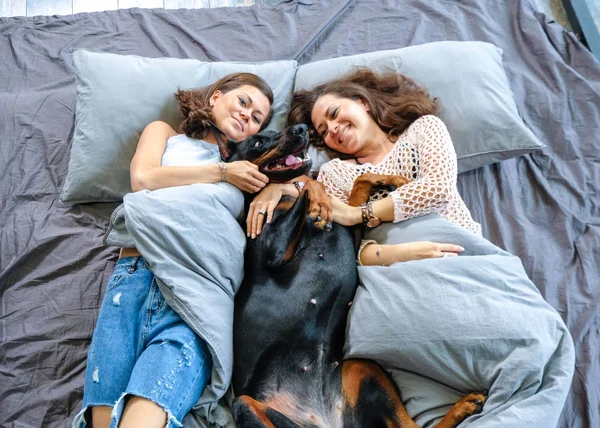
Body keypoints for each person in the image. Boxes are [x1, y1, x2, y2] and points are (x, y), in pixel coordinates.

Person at [74, 73, 273, 428]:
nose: (248, 116)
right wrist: (223, 173)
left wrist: (273, 187)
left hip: (198, 294)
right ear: (215, 97)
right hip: (135, 277)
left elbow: (300, 185)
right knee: (101, 423)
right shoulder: (165, 133)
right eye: (244, 102)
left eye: (257, 118)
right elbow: (144, 179)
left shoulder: (253, 169)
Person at [246, 67, 480, 265]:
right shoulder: (335, 172)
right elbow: (344, 249)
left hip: (460, 249)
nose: (333, 128)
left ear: (363, 103)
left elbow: (438, 189)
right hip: (390, 268)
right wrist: (401, 253)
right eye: (324, 130)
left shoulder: (424, 128)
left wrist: (358, 213)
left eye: (334, 113)